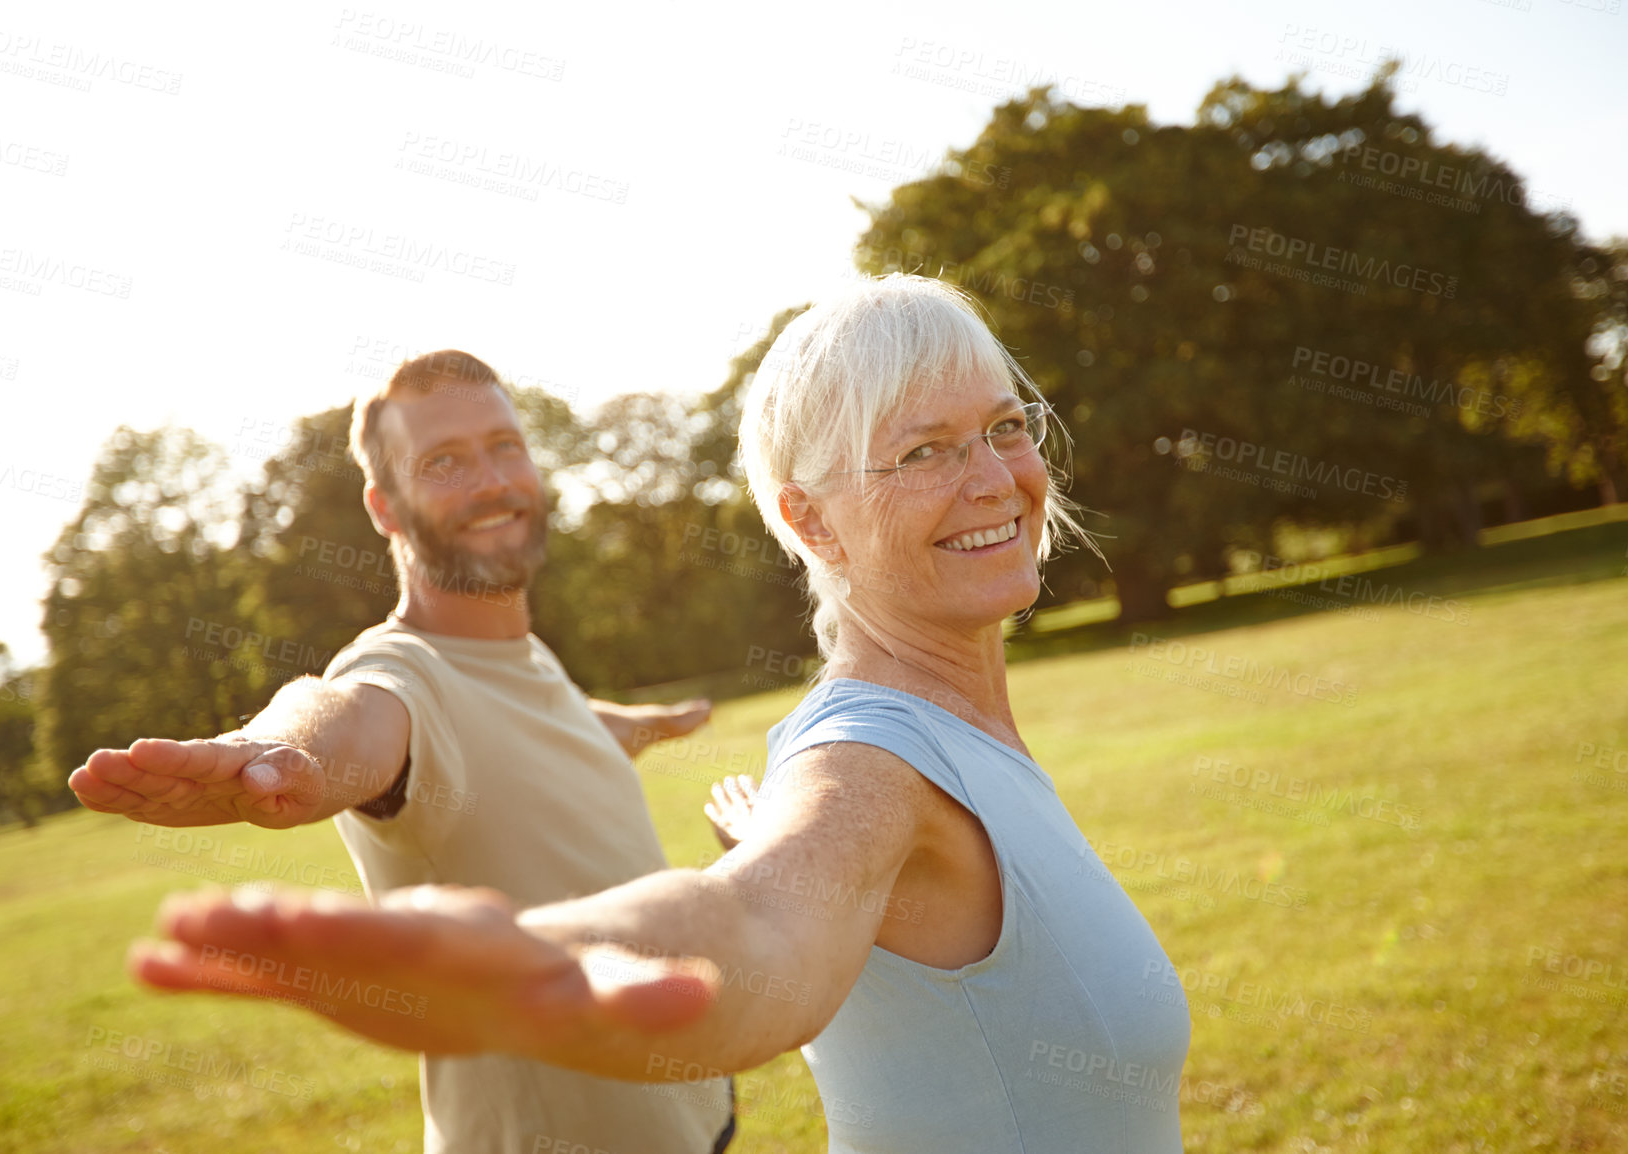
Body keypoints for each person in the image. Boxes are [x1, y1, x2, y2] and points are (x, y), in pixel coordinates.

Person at [128, 277, 1194, 1151]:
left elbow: (544, 732)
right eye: (922, 450)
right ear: (809, 520)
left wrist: (631, 728)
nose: (994, 477)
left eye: (1006, 426)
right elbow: (755, 920)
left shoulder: (938, 727)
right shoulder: (870, 761)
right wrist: (529, 957)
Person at [70, 350, 736, 1154]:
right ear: (385, 507)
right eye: (444, 461)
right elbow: (340, 711)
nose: (491, 480)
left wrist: (645, 723)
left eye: (504, 445)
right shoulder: (401, 673)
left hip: (694, 1118)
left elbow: (554, 728)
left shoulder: (529, 659)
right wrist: (274, 750)